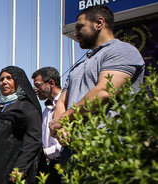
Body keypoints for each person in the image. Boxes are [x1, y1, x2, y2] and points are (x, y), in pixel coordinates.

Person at [49, 5, 145, 153]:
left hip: (107, 148)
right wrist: (60, 128)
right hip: (72, 151)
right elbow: (62, 101)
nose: (76, 33)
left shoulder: (122, 50)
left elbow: (105, 92)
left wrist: (63, 119)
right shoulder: (78, 67)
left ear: (99, 23)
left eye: (80, 27)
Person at [32, 66, 63, 184]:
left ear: (51, 83)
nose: (36, 90)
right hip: (50, 166)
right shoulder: (46, 110)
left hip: (63, 164)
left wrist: (45, 152)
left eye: (38, 85)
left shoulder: (68, 102)